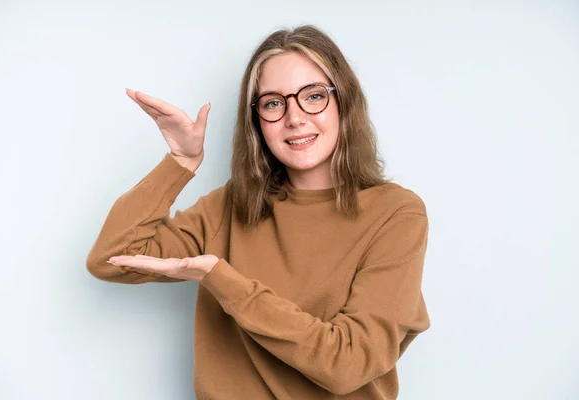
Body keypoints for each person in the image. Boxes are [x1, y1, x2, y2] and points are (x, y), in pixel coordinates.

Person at [86, 24, 430, 400]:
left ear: (343, 101)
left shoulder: (396, 213)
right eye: (272, 103)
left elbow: (347, 365)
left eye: (313, 96)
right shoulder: (231, 206)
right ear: (256, 122)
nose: (294, 117)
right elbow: (110, 258)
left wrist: (222, 279)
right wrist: (181, 162)